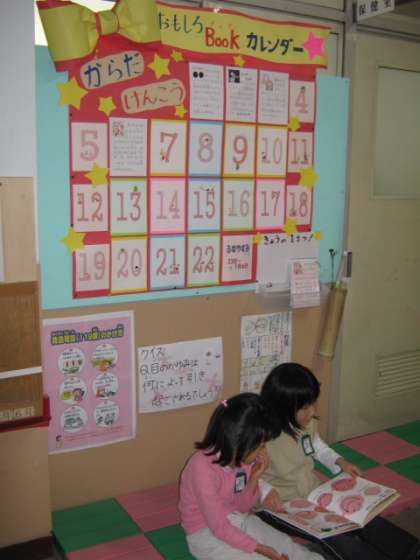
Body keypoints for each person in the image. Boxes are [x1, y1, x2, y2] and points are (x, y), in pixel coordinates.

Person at [259, 362, 420, 560]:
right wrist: (266, 491)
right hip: (280, 504)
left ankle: (413, 551)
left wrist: (339, 461)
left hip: (313, 491)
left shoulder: (306, 423)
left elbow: (317, 446)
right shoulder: (262, 436)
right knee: (335, 535)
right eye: (305, 407)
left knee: (361, 516)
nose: (313, 411)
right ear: (281, 409)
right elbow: (245, 471)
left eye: (314, 403)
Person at [178, 393, 325, 560]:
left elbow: (241, 508)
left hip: (238, 520)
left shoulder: (243, 460)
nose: (263, 451)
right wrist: (261, 549)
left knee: (285, 544)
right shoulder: (202, 468)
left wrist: (255, 477)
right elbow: (219, 527)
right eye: (260, 446)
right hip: (206, 534)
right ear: (241, 443)